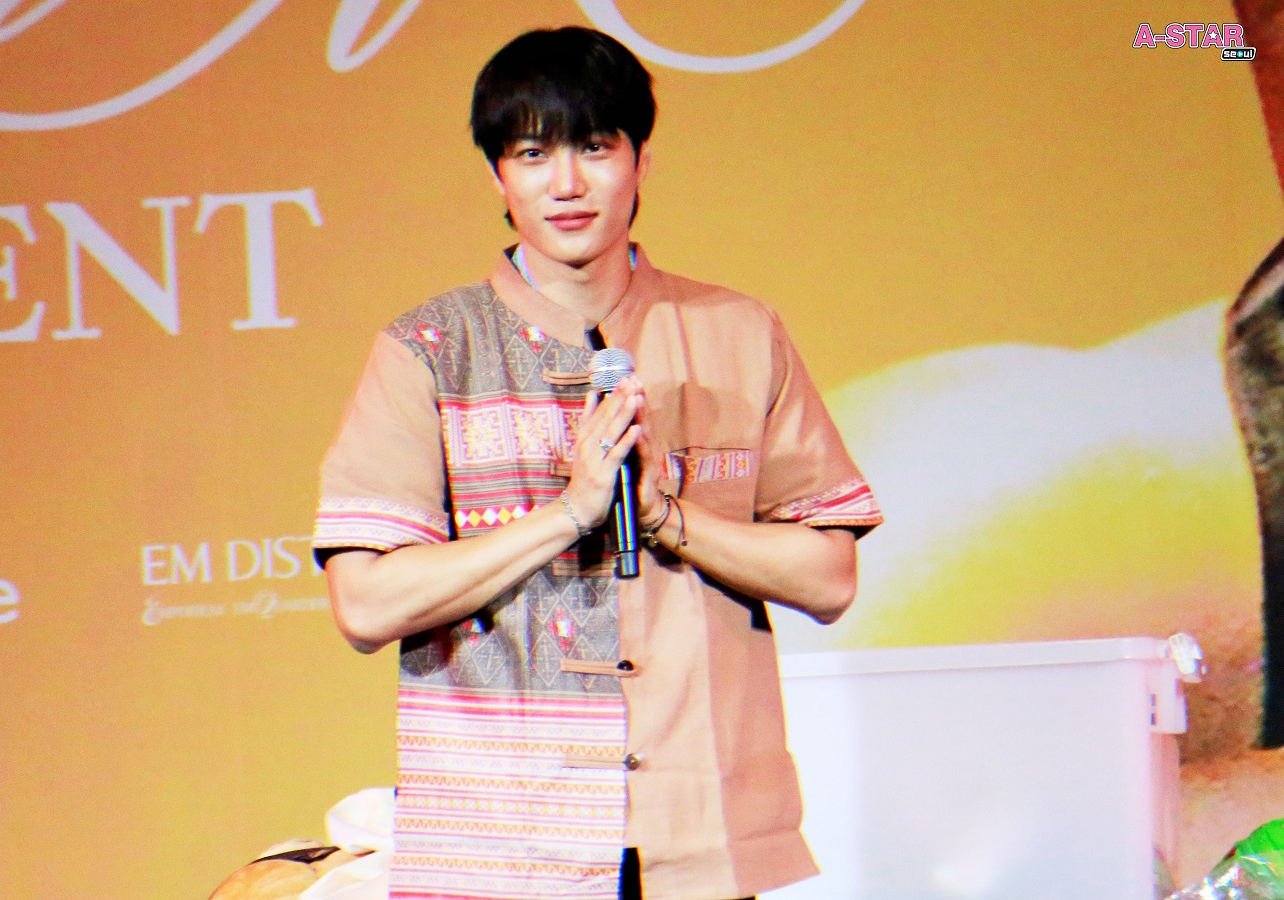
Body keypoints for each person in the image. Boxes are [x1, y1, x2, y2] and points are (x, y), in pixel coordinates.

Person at [312, 26, 882, 900]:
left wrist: (663, 515)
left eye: (594, 147)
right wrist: (569, 515)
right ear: (498, 176)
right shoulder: (429, 349)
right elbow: (365, 603)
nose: (567, 184)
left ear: (640, 161)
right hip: (500, 841)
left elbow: (829, 578)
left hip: (700, 833)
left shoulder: (738, 332)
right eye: (533, 154)